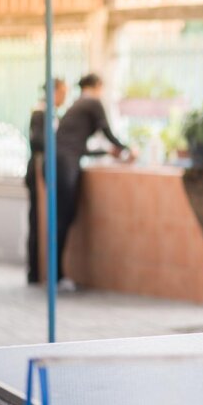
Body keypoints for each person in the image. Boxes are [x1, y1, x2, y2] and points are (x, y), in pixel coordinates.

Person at [55, 73, 134, 284]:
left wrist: (107, 152)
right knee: (63, 218)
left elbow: (76, 146)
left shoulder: (77, 105)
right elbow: (107, 132)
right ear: (98, 86)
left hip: (59, 163)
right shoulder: (92, 102)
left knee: (62, 218)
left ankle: (55, 274)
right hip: (65, 165)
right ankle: (57, 276)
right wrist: (127, 150)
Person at [25, 78, 67, 285]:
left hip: (46, 169)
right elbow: (37, 141)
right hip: (37, 172)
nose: (64, 97)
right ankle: (34, 271)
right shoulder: (40, 112)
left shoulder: (51, 113)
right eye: (62, 93)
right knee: (37, 221)